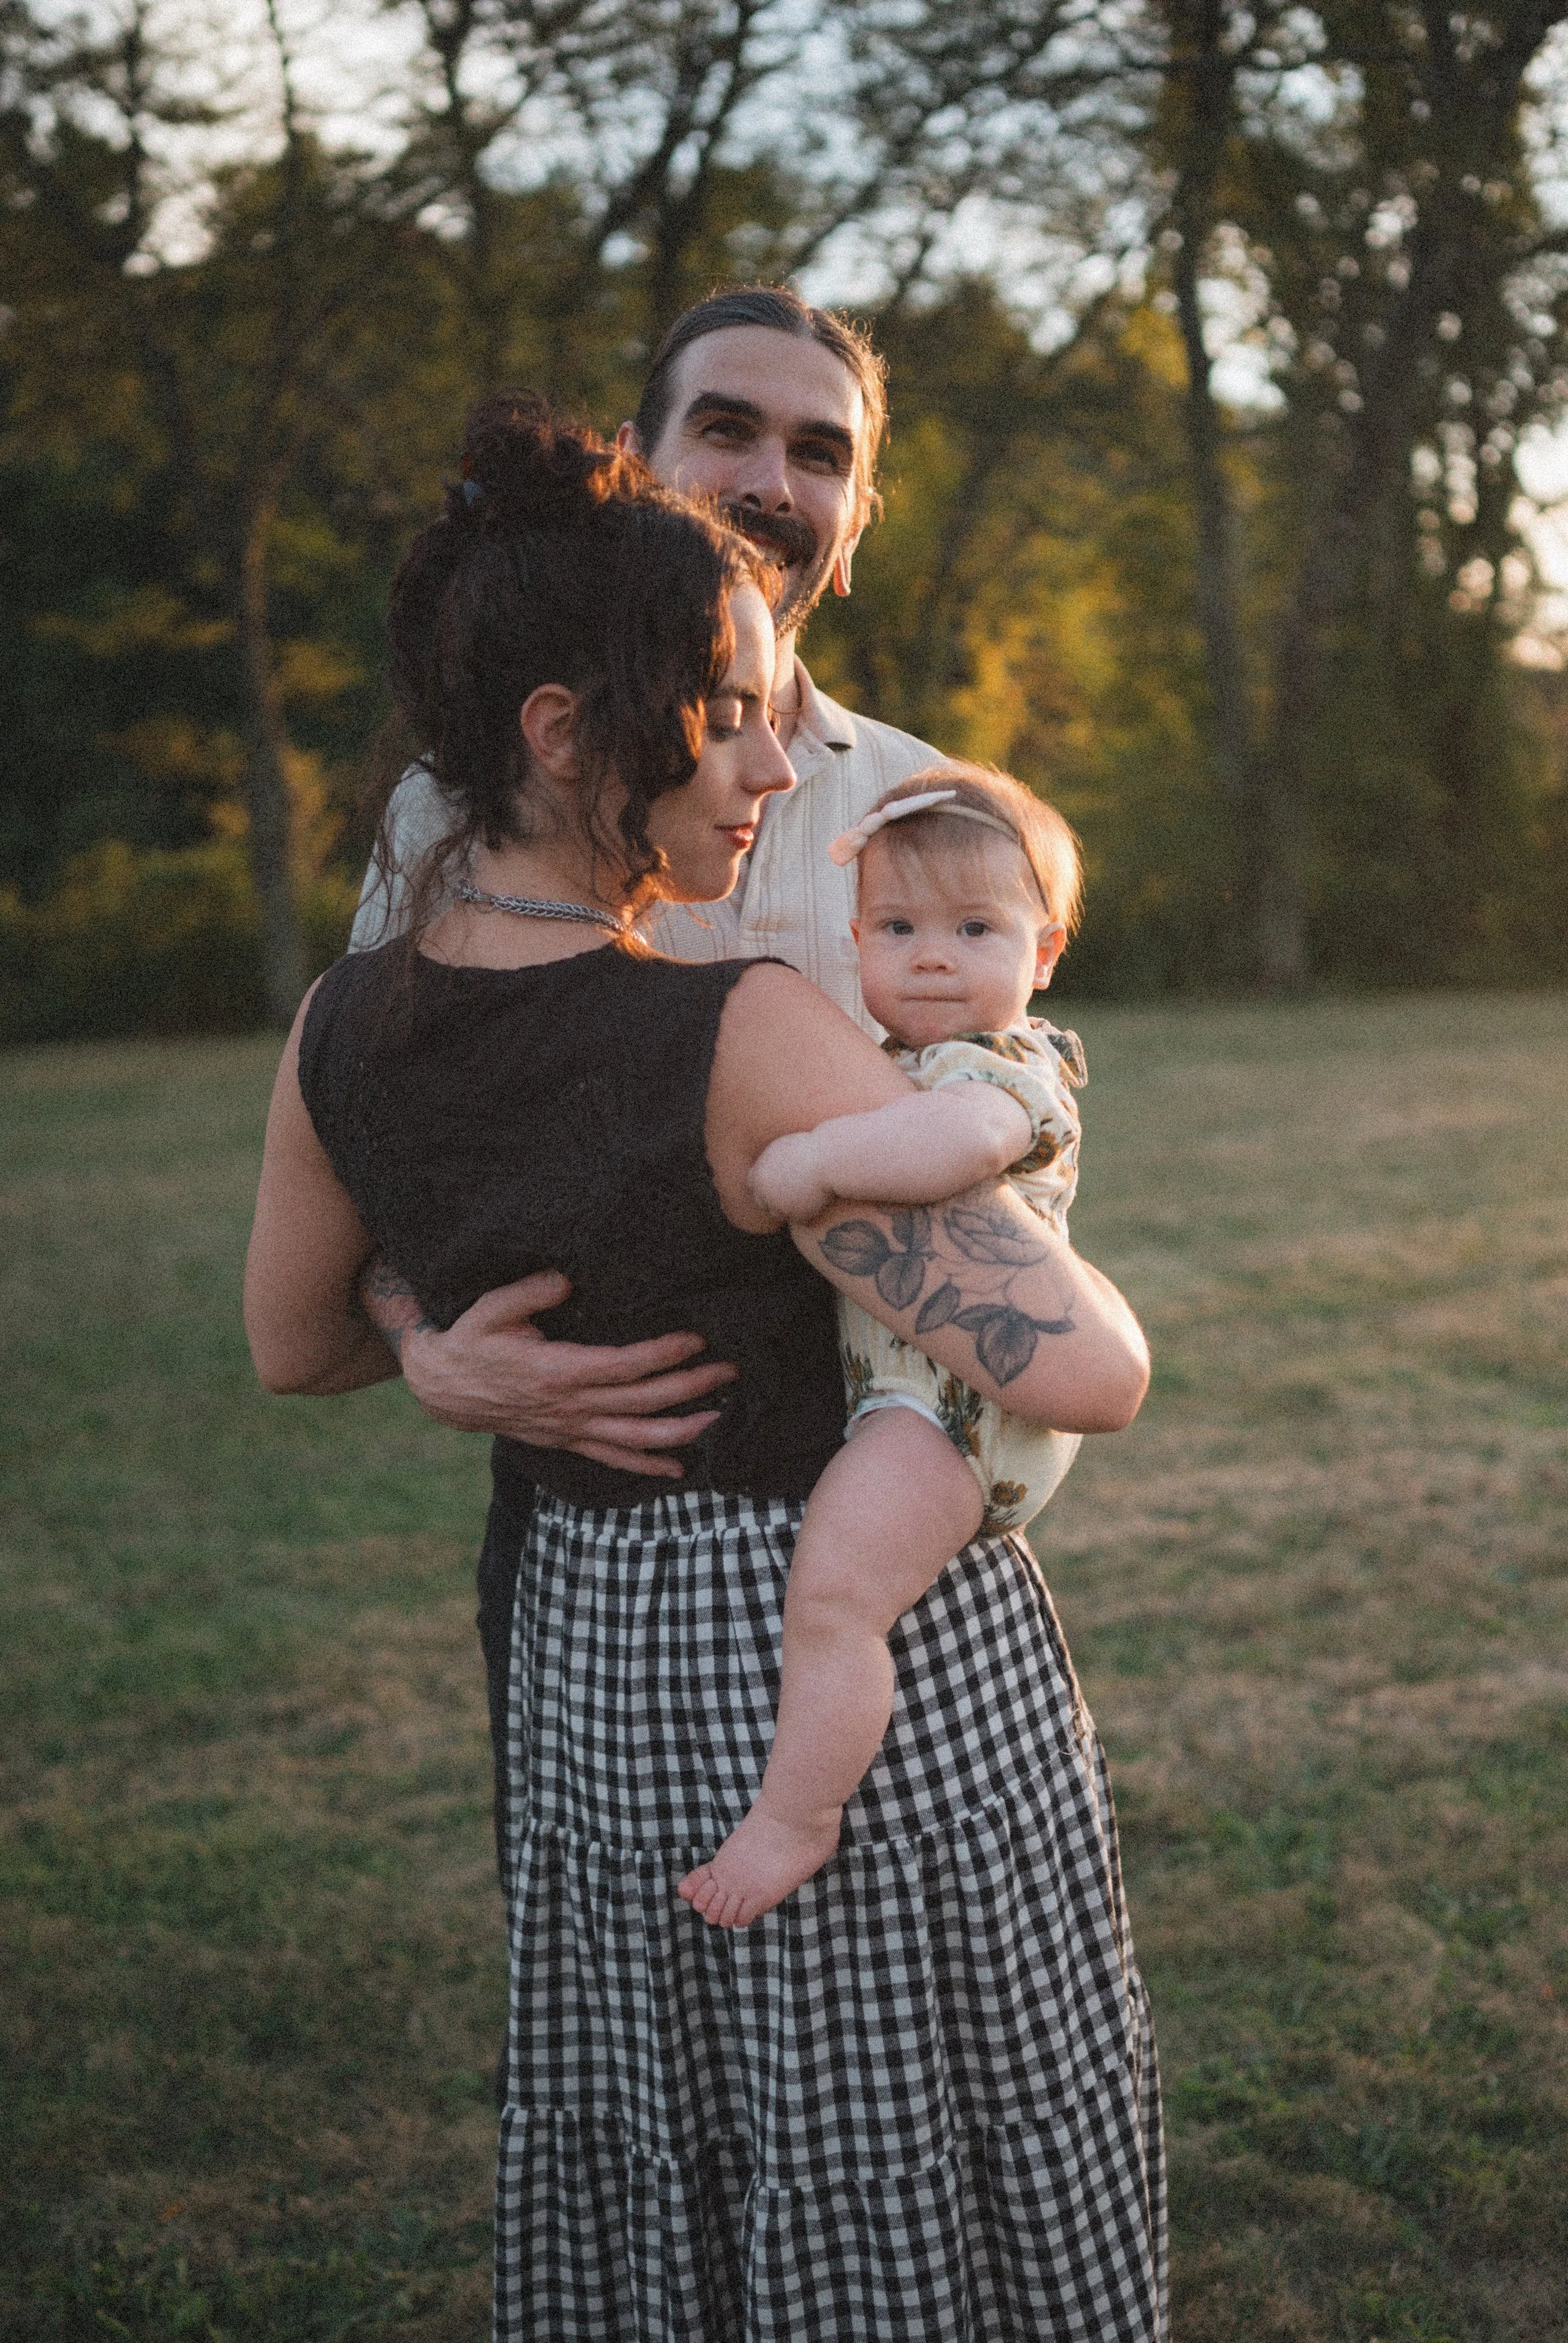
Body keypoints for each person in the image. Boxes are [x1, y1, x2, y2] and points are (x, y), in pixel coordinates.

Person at [245, 399, 1167, 2340]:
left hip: (587, 1653)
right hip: (816, 1675)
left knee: (659, 2132)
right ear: (564, 733)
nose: (769, 763)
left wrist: (457, 1359)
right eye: (726, 712)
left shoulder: (342, 1024)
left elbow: (295, 1337)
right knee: (903, 2140)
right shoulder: (739, 1029)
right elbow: (1076, 1368)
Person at [353, 287, 959, 1893]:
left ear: (858, 515)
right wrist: (436, 1358)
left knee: (876, 1980)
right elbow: (382, 1142)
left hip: (868, 1504)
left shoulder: (924, 804)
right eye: (726, 428)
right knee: (609, 1967)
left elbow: (998, 1117)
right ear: (635, 461)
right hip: (585, 1509)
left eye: (818, 451)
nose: (770, 478)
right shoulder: (455, 808)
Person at [679, 765, 1093, 1930]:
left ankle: (796, 1818)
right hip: (920, 1393)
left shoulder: (1006, 1067)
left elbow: (954, 1146)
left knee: (837, 1597)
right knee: (839, 1587)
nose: (931, 956)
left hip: (958, 1408)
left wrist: (811, 1165)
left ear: (1044, 950)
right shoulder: (896, 1056)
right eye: (898, 928)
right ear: (855, 938)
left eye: (975, 929)